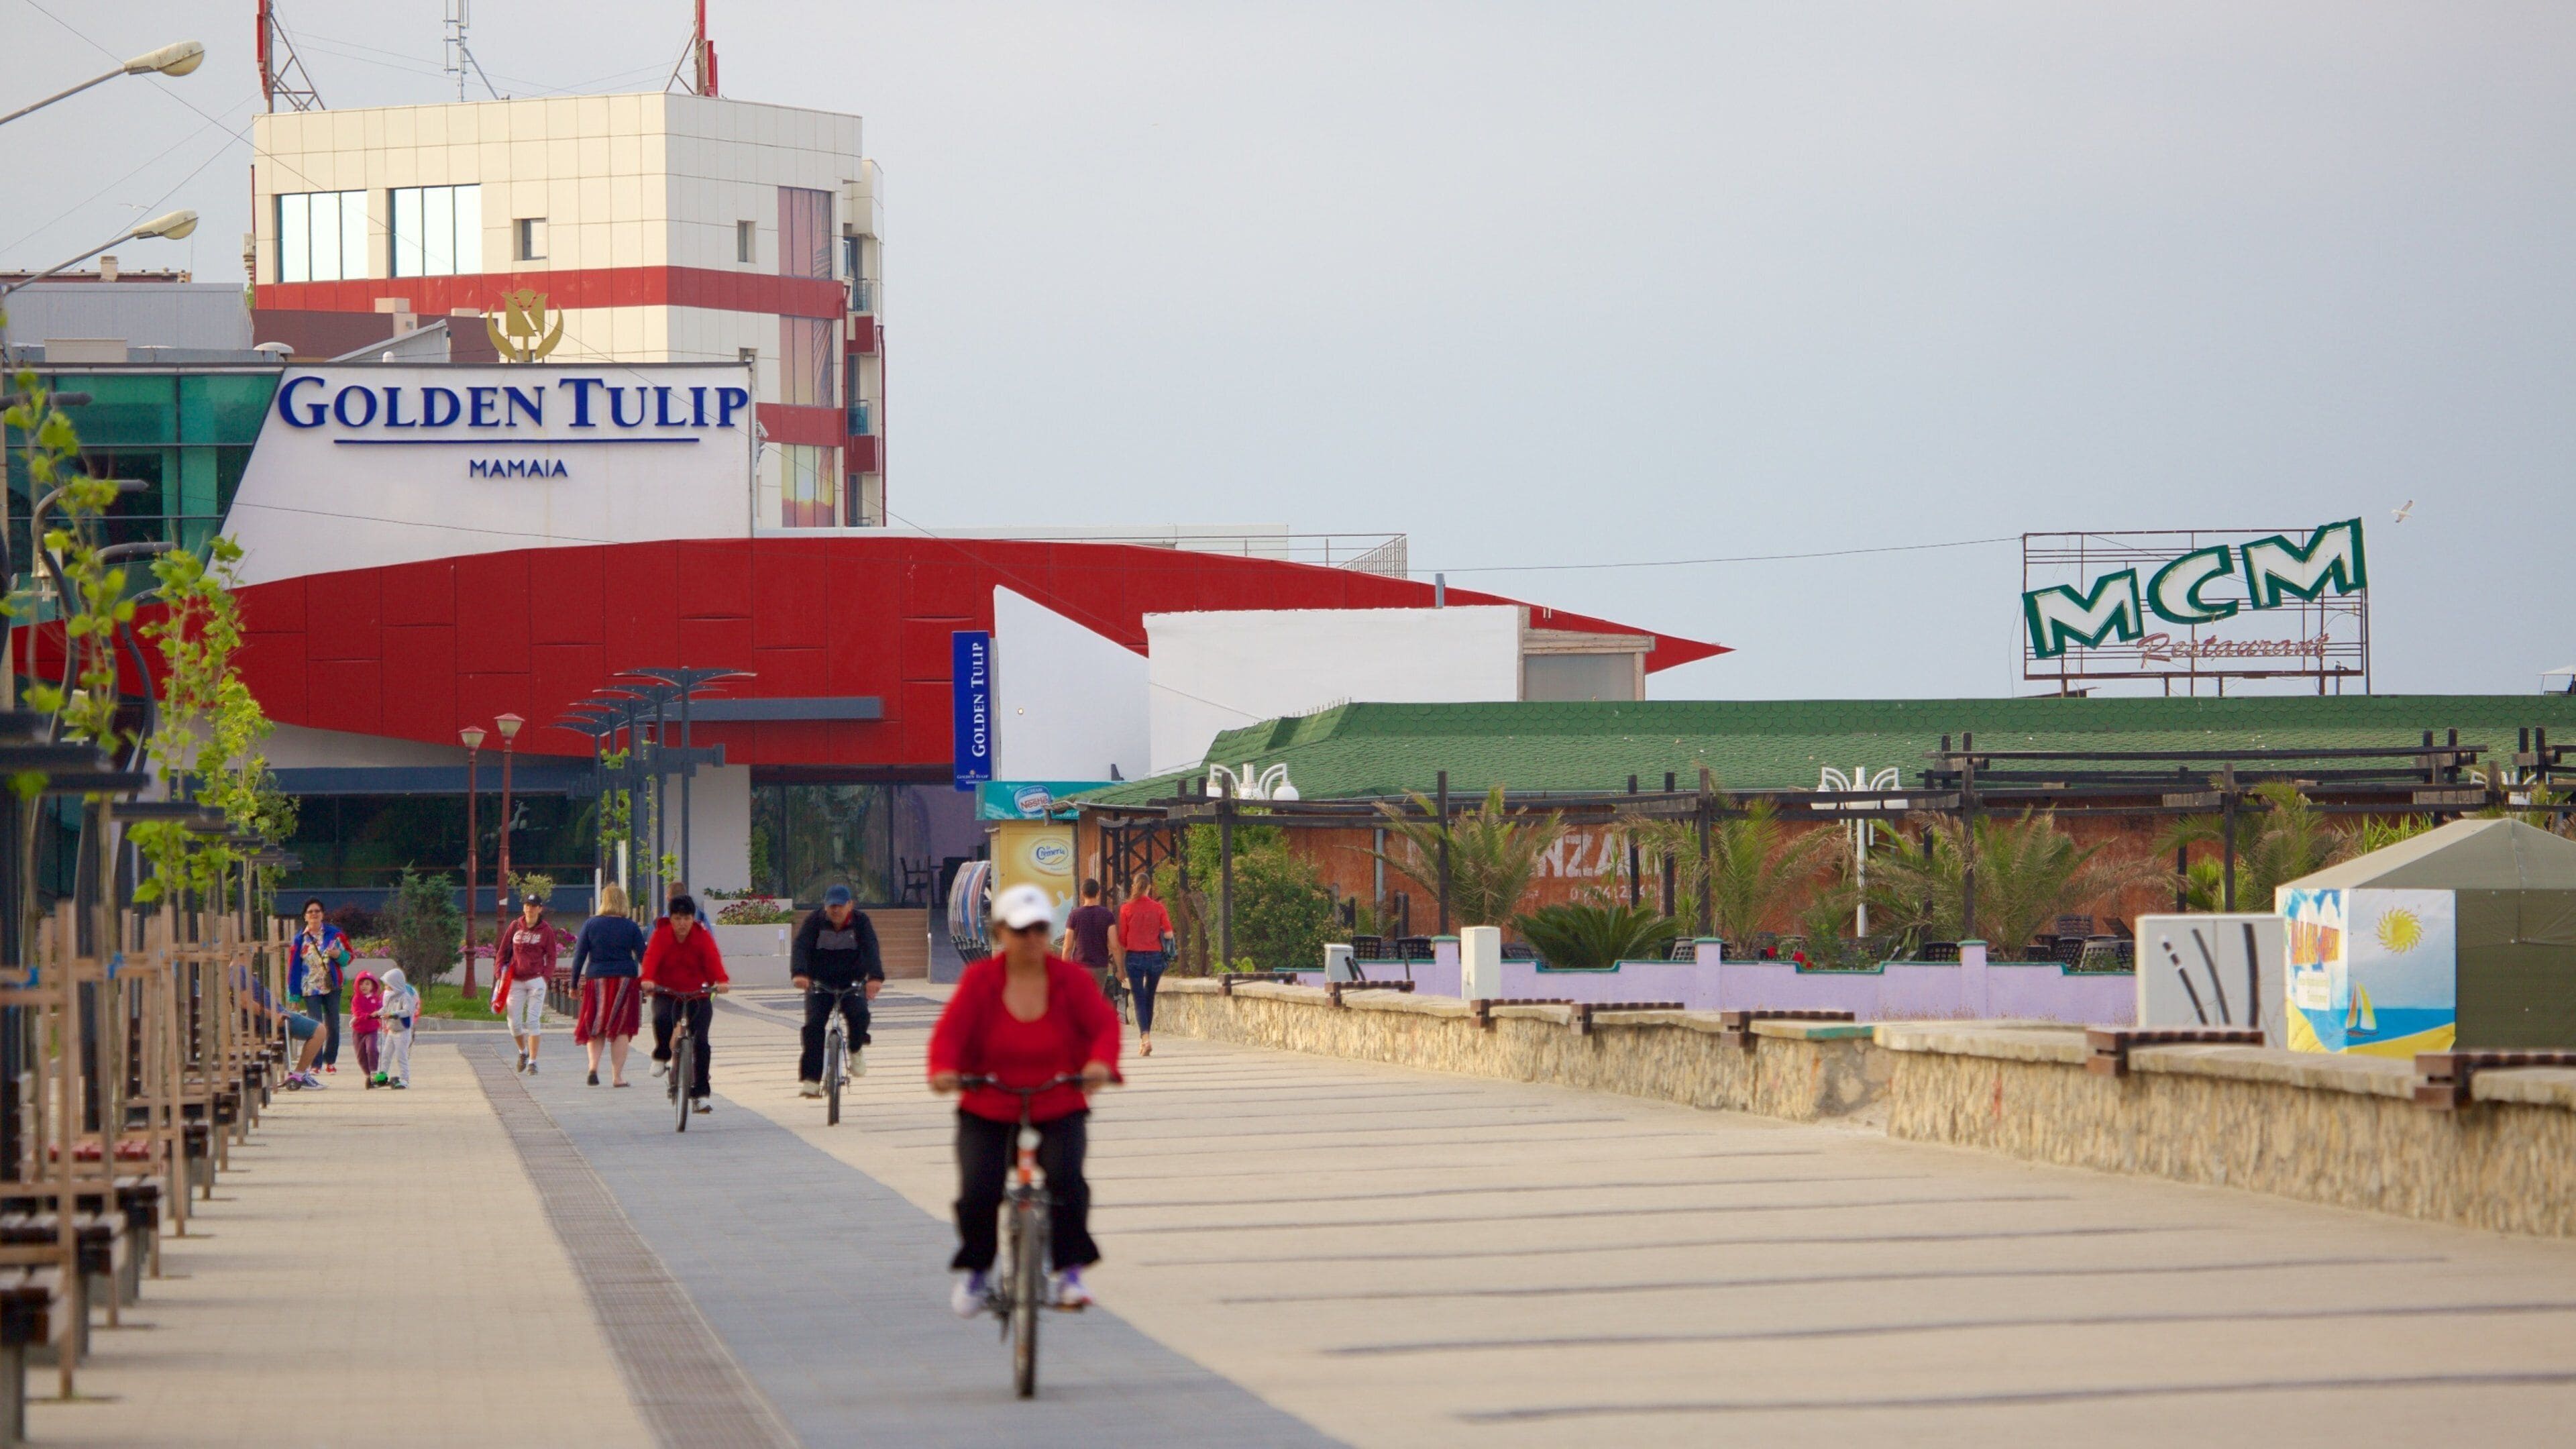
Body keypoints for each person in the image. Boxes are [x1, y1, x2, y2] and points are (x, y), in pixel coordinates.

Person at [928, 883, 1119, 1315]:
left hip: (1058, 1100)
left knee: (1068, 1181)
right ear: (1001, 933)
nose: (1031, 938)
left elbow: (1103, 1027)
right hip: (989, 1104)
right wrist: (944, 1072)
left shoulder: (1070, 980)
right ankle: (978, 1274)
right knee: (978, 1190)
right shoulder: (981, 981)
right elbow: (951, 1034)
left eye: (1038, 929)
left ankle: (1069, 1273)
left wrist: (1098, 1063)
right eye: (1020, 930)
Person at [792, 884, 883, 1097]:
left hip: (851, 982)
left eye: (840, 906)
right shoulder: (814, 921)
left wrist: (875, 978)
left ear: (850, 905)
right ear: (825, 907)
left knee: (860, 1015)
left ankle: (855, 1048)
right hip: (820, 983)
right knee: (813, 1027)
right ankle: (812, 1080)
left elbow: (871, 948)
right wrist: (800, 973)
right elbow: (801, 947)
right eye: (831, 906)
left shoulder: (861, 922)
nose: (835, 911)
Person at [641, 894, 729, 1113]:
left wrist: (721, 981)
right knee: (661, 1019)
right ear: (670, 919)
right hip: (668, 992)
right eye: (678, 918)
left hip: (698, 994)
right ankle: (662, 1054)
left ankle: (700, 1094)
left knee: (702, 1043)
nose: (682, 923)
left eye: (687, 918)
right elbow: (651, 958)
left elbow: (713, 960)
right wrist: (648, 979)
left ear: (693, 919)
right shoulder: (661, 935)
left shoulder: (702, 936)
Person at [571, 883, 648, 1087]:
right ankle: (617, 1077)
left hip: (597, 979)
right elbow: (644, 957)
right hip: (625, 980)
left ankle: (593, 1067)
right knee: (621, 1028)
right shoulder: (631, 927)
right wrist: (651, 979)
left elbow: (579, 956)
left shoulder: (591, 924)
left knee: (596, 1026)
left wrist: (573, 985)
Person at [495, 894, 559, 1075]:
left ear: (540, 909)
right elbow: (502, 951)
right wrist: (499, 972)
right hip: (515, 979)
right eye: (526, 905)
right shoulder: (515, 926)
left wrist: (546, 976)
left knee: (532, 1020)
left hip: (535, 980)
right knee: (514, 1023)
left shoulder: (546, 931)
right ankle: (522, 1052)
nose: (529, 909)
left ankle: (533, 1061)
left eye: (533, 906)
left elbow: (552, 956)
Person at [289, 898, 352, 1074]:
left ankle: (330, 1060)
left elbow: (349, 957)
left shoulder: (335, 934)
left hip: (332, 985)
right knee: (315, 1024)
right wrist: (294, 995)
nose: (314, 914)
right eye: (311, 912)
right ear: (305, 916)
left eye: (317, 911)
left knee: (333, 1024)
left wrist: (338, 955)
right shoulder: (299, 939)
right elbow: (293, 968)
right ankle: (315, 1064)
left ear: (323, 914)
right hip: (310, 988)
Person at [1116, 874, 1174, 1057]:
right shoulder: (1159, 908)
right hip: (1156, 957)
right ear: (1149, 887)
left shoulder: (1126, 909)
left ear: (1134, 886)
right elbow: (1169, 934)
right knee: (1150, 997)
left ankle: (1145, 1039)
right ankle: (1145, 1039)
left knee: (1139, 998)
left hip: (1134, 958)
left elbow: (1122, 939)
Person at [1062, 879, 1118, 1000]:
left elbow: (1067, 946)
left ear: (1082, 893)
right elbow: (1114, 945)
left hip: (1079, 968)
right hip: (1100, 967)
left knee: (1079, 1003)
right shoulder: (1107, 915)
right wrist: (1120, 969)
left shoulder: (1074, 915)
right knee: (1094, 1003)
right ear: (1098, 893)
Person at [378, 967, 419, 1089]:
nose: (386, 988)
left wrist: (393, 1014)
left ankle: (405, 1079)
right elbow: (385, 1009)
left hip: (402, 1031)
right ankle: (383, 1074)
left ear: (395, 984)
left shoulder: (405, 997)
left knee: (401, 1056)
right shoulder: (391, 997)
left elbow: (408, 1011)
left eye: (387, 985)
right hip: (391, 1030)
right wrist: (377, 1013)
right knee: (386, 1054)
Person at [351, 971, 386, 1087]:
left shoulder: (376, 999)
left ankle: (374, 1072)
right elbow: (357, 1012)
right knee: (360, 1055)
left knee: (372, 1049)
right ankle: (367, 1074)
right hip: (358, 1030)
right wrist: (369, 1016)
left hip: (372, 1030)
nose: (364, 986)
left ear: (373, 986)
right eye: (361, 984)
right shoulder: (356, 999)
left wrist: (381, 1016)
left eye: (367, 984)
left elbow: (381, 1009)